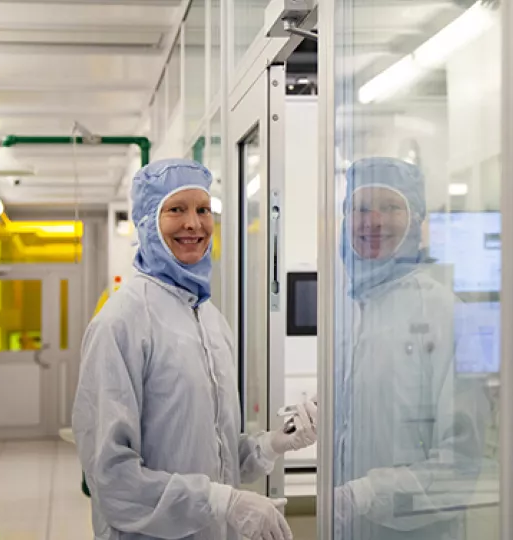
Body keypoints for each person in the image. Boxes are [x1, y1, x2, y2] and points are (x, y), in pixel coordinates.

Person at [72, 158, 317, 540]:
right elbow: (112, 478)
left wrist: (270, 444)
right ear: (148, 221)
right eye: (176, 210)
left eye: (203, 209)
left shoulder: (211, 320)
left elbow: (213, 453)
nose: (193, 224)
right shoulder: (121, 322)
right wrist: (223, 502)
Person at [333, 157, 490, 540]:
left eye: (390, 207)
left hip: (418, 529)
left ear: (417, 220)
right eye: (361, 208)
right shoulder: (344, 306)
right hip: (345, 527)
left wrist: (373, 492)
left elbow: (462, 461)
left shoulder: (446, 312)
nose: (373, 222)